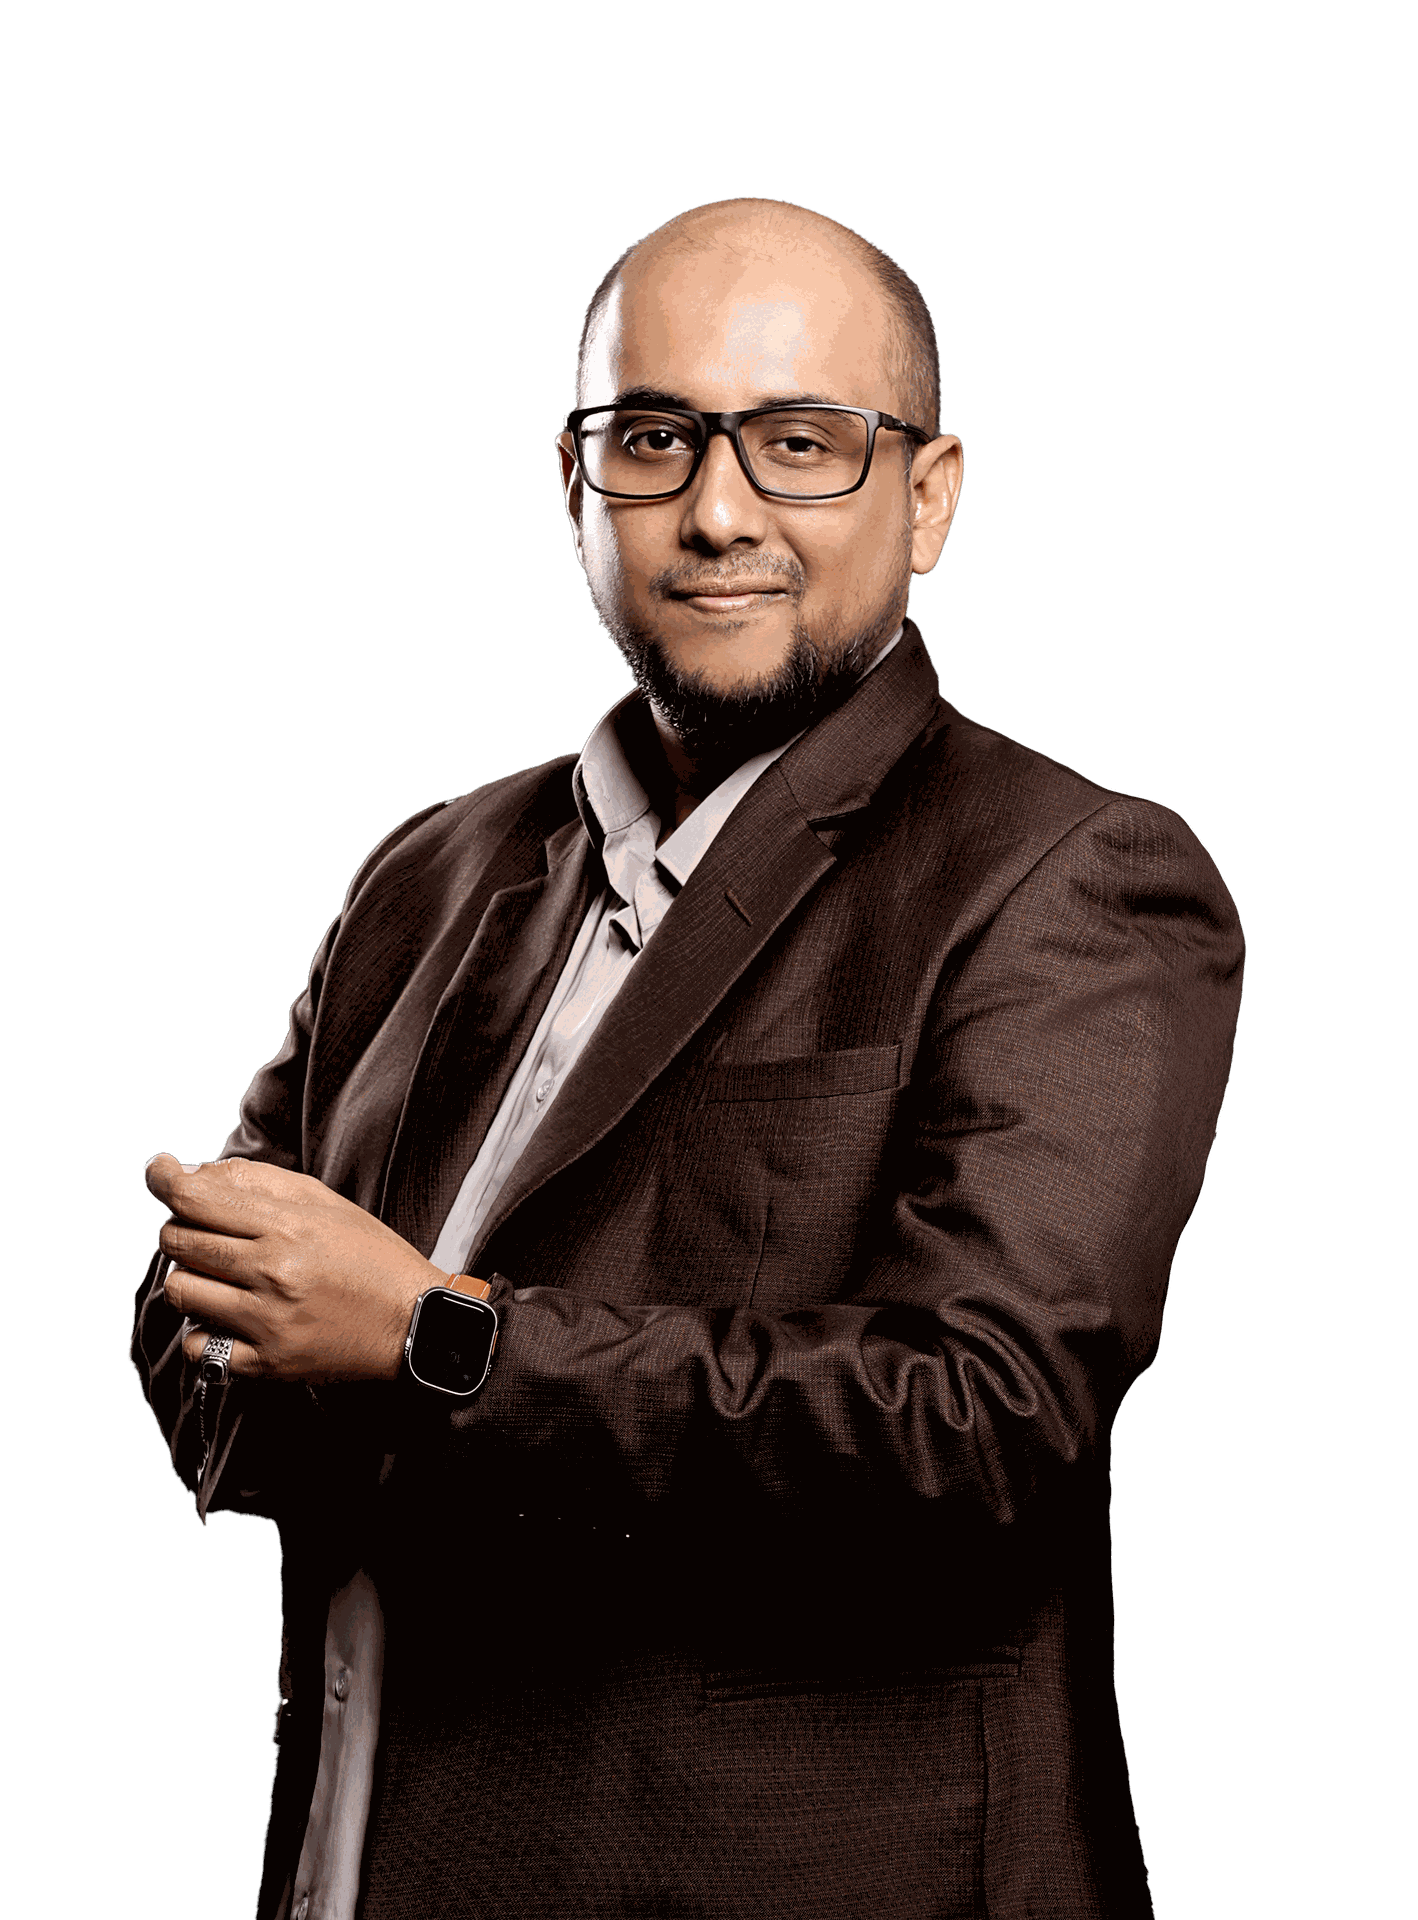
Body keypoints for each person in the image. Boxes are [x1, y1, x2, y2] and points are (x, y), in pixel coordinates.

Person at [133, 196, 1244, 1919]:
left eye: (799, 443)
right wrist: (265, 1330)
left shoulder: (1066, 877)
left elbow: (981, 1423)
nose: (717, 512)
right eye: (652, 439)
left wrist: (432, 1343)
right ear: (573, 485)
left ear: (928, 497)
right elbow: (213, 1298)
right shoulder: (425, 874)